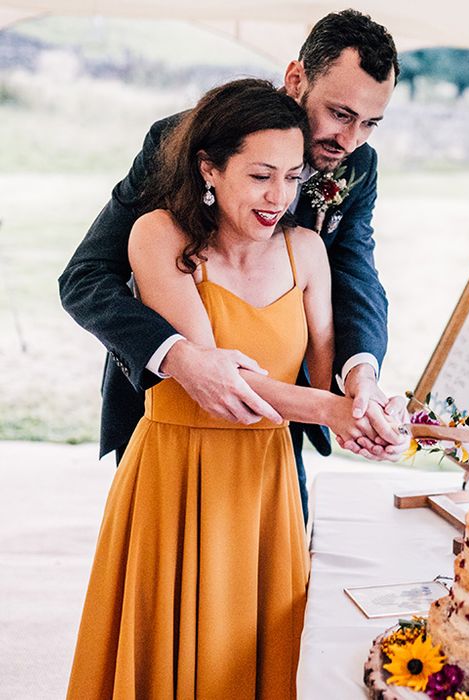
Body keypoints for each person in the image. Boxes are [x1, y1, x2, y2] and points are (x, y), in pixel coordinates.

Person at [67, 78, 373, 699]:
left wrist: (365, 392)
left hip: (268, 475)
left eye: (293, 178)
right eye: (262, 175)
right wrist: (337, 411)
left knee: (261, 651)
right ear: (209, 169)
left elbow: (333, 344)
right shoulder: (161, 234)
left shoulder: (311, 242)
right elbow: (222, 379)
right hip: (177, 467)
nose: (281, 196)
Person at [58, 10, 407, 522]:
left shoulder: (355, 165)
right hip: (170, 416)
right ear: (296, 79)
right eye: (339, 113)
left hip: (281, 419)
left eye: (370, 123)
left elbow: (355, 272)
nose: (351, 139)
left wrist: (361, 378)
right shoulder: (181, 141)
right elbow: (85, 279)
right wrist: (179, 358)